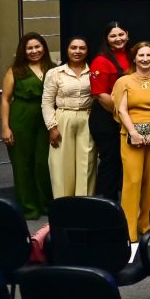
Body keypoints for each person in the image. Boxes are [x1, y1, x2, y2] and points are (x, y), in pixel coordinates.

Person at [113, 42, 150, 241]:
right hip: (131, 135)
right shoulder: (124, 81)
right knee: (132, 181)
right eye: (141, 55)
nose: (145, 59)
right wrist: (133, 132)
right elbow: (121, 110)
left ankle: (147, 226)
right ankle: (127, 229)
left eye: (149, 55)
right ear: (134, 58)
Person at [0, 33, 54, 219]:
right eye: (29, 48)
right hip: (21, 119)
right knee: (23, 164)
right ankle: (29, 208)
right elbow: (6, 100)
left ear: (44, 47)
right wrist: (5, 127)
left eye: (37, 47)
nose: (34, 51)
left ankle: (46, 204)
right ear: (23, 51)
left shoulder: (52, 68)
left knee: (43, 163)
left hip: (46, 121)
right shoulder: (15, 70)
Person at [41, 36, 96, 198]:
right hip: (63, 117)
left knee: (87, 163)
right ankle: (63, 207)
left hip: (87, 117)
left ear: (87, 51)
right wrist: (52, 127)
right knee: (61, 165)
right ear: (67, 50)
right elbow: (47, 103)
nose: (77, 51)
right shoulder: (55, 73)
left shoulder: (93, 71)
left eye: (82, 48)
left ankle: (84, 206)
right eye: (73, 48)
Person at [89, 21, 131, 200]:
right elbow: (100, 94)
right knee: (110, 160)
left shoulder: (134, 55)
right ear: (107, 38)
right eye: (113, 36)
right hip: (107, 117)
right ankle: (108, 201)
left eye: (121, 34)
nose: (118, 39)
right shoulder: (101, 60)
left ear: (127, 35)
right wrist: (122, 115)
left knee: (126, 161)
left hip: (129, 117)